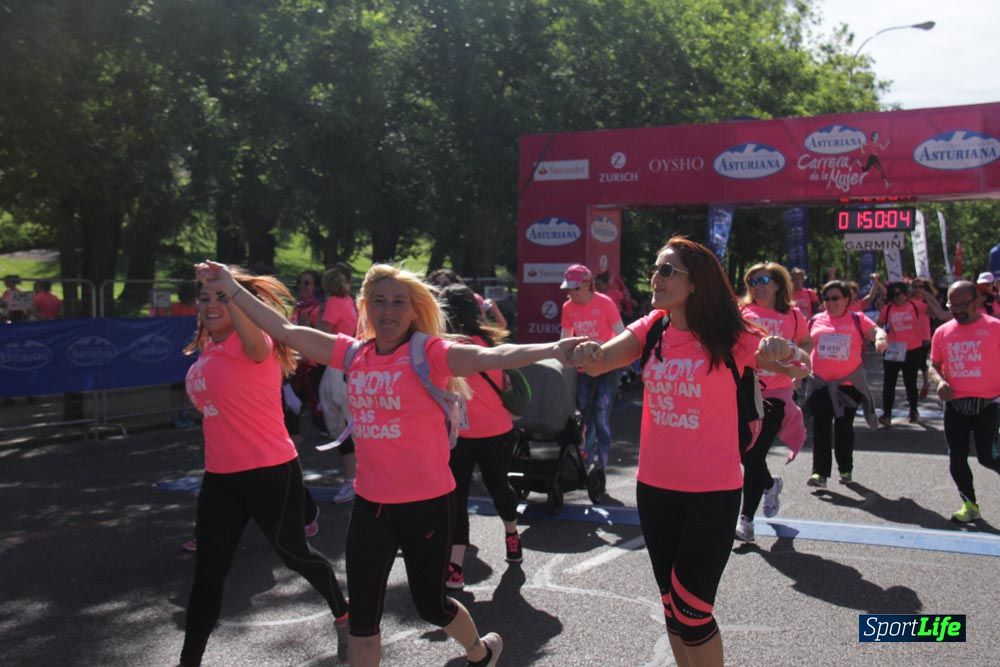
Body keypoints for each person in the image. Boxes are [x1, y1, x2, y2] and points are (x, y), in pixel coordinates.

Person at [195, 259, 585, 667]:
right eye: (378, 301)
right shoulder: (354, 354)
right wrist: (229, 288)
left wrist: (555, 349)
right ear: (365, 306)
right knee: (362, 623)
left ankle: (480, 651)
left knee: (432, 606)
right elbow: (286, 331)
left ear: (415, 309)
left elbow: (495, 355)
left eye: (398, 301)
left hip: (427, 505)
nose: (388, 310)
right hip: (371, 507)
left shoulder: (429, 353)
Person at [569, 237, 806, 667]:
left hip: (712, 493)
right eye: (654, 269)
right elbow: (600, 361)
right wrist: (586, 351)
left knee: (694, 614)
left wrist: (783, 349)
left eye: (666, 271)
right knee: (672, 613)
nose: (655, 279)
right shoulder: (652, 328)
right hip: (655, 490)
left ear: (695, 282)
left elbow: (798, 365)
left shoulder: (731, 336)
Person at [178, 267, 349, 667]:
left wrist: (228, 288)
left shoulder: (255, 343)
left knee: (295, 555)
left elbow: (253, 340)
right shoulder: (209, 352)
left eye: (220, 299)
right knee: (207, 574)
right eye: (205, 299)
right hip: (220, 477)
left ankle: (343, 613)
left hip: (271, 470)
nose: (211, 305)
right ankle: (188, 661)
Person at [440, 284, 522, 591]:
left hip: (461, 434)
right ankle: (512, 536)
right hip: (496, 430)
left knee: (457, 497)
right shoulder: (491, 339)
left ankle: (456, 565)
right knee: (499, 485)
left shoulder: (443, 346)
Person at [735, 263, 812, 542]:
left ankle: (746, 521)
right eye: (752, 280)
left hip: (776, 394)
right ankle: (770, 483)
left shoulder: (792, 315)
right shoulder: (742, 313)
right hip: (745, 390)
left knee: (754, 454)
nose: (757, 285)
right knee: (744, 454)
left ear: (778, 284)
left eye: (763, 279)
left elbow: (806, 343)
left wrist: (798, 366)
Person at [929, 280, 1000, 523]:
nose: (957, 309)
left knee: (987, 457)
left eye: (962, 304)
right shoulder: (942, 332)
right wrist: (939, 381)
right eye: (952, 304)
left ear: (977, 301)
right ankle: (969, 505)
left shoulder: (995, 328)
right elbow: (934, 366)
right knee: (956, 457)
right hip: (956, 404)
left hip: (989, 404)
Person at [805, 281, 888, 487]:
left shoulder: (857, 319)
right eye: (826, 299)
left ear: (846, 300)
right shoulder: (815, 320)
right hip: (820, 384)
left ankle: (845, 468)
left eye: (835, 298)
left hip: (848, 384)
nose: (831, 303)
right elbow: (804, 346)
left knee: (843, 428)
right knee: (821, 426)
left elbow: (878, 331)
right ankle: (819, 473)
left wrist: (880, 339)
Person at [560, 264, 625, 471]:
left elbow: (622, 334)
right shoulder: (567, 307)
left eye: (575, 288)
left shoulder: (605, 303)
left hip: (608, 368)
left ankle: (601, 466)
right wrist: (564, 362)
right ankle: (583, 463)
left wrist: (607, 356)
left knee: (601, 413)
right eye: (568, 289)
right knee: (582, 414)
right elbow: (564, 339)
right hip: (583, 369)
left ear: (588, 285)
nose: (571, 293)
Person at [317, 265, 360, 503]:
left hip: (337, 366)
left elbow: (322, 335)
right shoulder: (348, 301)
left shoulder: (333, 302)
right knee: (348, 422)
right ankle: (356, 478)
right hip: (346, 364)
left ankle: (352, 479)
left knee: (341, 424)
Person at [877, 282, 928, 425]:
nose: (896, 297)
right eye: (893, 294)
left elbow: (934, 310)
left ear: (906, 294)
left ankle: (913, 410)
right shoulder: (887, 309)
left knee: (910, 382)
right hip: (892, 350)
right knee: (889, 383)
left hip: (912, 349)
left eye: (898, 294)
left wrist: (925, 292)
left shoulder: (915, 305)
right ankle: (887, 415)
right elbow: (879, 326)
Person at [907, 278, 950, 399]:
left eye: (920, 286)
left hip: (924, 336)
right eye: (914, 286)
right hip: (909, 337)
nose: (917, 289)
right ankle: (912, 389)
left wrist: (928, 296)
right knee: (911, 366)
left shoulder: (926, 301)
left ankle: (925, 384)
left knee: (922, 363)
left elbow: (939, 313)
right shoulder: (907, 300)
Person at [428, 268, 508, 329]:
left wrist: (493, 307)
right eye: (436, 283)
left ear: (455, 285)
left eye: (446, 284)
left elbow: (494, 329)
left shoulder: (472, 299)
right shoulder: (427, 305)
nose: (440, 287)